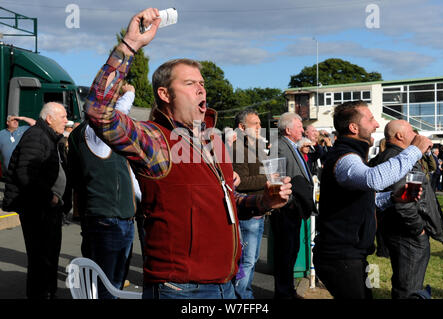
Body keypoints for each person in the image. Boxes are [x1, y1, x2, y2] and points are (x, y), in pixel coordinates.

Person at [83, 7, 292, 300]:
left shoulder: (214, 141)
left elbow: (229, 203)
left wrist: (263, 201)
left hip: (227, 287)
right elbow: (98, 112)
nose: (201, 90)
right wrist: (130, 45)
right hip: (180, 290)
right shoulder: (156, 139)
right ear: (165, 95)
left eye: (202, 84)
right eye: (190, 84)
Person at [313, 100, 433, 299]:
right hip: (340, 256)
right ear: (353, 127)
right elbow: (374, 180)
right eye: (370, 119)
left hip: (350, 255)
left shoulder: (354, 155)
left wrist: (394, 198)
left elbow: (363, 200)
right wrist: (414, 150)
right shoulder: (345, 158)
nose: (377, 124)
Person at [68, 83, 142, 299]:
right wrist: (129, 92)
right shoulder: (95, 130)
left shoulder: (78, 134)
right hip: (110, 218)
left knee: (104, 282)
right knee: (109, 284)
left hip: (105, 216)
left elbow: (75, 178)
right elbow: (119, 113)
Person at [370, 120, 443, 299]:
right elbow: (404, 201)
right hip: (407, 235)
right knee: (409, 290)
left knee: (404, 284)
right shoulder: (399, 160)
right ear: (400, 136)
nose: (416, 135)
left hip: (398, 232)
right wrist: (418, 230)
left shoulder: (390, 156)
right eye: (412, 131)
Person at [2, 102, 70, 299]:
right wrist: (50, 197)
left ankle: (48, 292)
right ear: (49, 119)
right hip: (38, 209)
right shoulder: (37, 136)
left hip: (47, 209)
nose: (66, 121)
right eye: (63, 117)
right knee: (40, 258)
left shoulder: (48, 136)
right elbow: (26, 174)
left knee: (49, 256)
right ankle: (41, 294)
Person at [270, 112, 316, 299]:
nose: (303, 130)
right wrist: (288, 203)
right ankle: (283, 293)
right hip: (286, 210)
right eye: (299, 127)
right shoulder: (280, 147)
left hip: (294, 209)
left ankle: (288, 290)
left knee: (291, 252)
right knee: (285, 253)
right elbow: (276, 178)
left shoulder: (292, 146)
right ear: (288, 130)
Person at [232, 109, 268, 299]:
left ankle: (244, 294)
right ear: (241, 127)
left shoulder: (255, 147)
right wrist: (268, 178)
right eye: (256, 124)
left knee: (251, 259)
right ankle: (242, 297)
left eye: (260, 124)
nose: (259, 128)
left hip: (257, 210)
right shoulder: (237, 149)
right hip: (247, 213)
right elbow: (241, 182)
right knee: (247, 261)